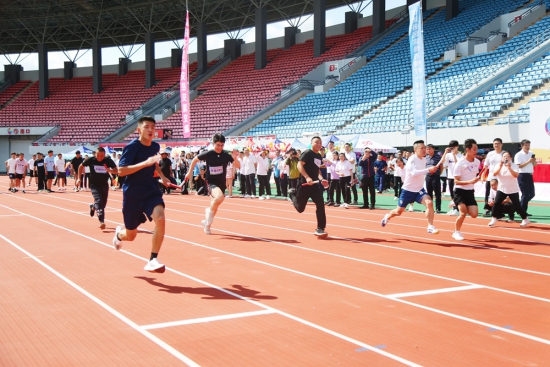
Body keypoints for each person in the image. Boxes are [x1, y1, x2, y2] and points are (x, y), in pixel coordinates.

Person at [112, 116, 171, 273]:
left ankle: (152, 260)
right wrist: (144, 164)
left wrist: (163, 177)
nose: (151, 130)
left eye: (153, 127)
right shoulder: (132, 148)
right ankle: (119, 234)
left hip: (150, 190)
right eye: (147, 127)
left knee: (160, 218)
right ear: (138, 130)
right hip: (133, 194)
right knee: (131, 235)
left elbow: (155, 163)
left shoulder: (155, 147)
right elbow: (121, 170)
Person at [381, 140, 440, 234]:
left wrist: (430, 170)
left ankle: (430, 226)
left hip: (419, 190)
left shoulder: (424, 159)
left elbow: (424, 171)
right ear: (415, 149)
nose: (424, 150)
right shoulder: (412, 159)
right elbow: (414, 173)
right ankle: (387, 216)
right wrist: (428, 170)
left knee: (429, 203)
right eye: (422, 148)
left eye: (425, 148)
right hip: (407, 190)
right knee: (398, 212)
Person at [185, 134, 240, 235]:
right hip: (211, 181)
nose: (220, 147)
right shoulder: (209, 153)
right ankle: (208, 212)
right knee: (219, 197)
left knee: (215, 205)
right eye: (218, 145)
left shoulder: (226, 155)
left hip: (221, 183)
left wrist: (235, 158)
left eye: (222, 145)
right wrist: (190, 172)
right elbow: (195, 160)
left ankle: (207, 224)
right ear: (213, 144)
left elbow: (238, 166)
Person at [288, 136, 329, 238]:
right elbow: (299, 165)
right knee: (300, 209)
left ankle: (320, 228)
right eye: (316, 142)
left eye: (320, 143)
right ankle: (292, 194)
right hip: (304, 185)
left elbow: (317, 170)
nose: (318, 144)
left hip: (314, 186)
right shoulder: (307, 153)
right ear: (311, 143)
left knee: (320, 204)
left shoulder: (319, 156)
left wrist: (321, 179)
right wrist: (307, 177)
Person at [76, 147, 118, 229]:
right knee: (99, 201)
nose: (99, 158)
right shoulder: (91, 160)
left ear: (104, 155)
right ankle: (101, 221)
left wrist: (111, 171)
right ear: (95, 154)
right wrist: (79, 178)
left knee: (103, 203)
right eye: (98, 155)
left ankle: (93, 206)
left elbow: (116, 170)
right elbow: (80, 167)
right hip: (94, 184)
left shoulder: (108, 160)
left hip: (104, 184)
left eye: (101, 156)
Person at [488, 151, 530, 227]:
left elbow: (516, 175)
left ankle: (525, 219)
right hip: (502, 188)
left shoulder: (514, 166)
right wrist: (500, 166)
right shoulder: (499, 165)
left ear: (511, 158)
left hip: (512, 189)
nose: (506, 158)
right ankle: (493, 219)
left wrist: (509, 168)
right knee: (496, 203)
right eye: (504, 156)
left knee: (517, 205)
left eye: (507, 156)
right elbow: (494, 174)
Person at [451, 139, 480, 241]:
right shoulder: (460, 163)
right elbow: (456, 181)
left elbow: (473, 175)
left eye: (476, 149)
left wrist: (476, 180)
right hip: (460, 191)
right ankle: (456, 232)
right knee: (463, 213)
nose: (476, 151)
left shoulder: (477, 161)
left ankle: (457, 204)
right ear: (467, 149)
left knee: (474, 214)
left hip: (470, 192)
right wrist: (470, 181)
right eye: (474, 149)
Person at [514, 139, 537, 215]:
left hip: (530, 175)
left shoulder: (531, 153)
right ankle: (523, 211)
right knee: (525, 194)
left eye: (528, 145)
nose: (528, 147)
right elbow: (519, 166)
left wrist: (534, 161)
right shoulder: (518, 155)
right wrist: (529, 161)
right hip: (522, 175)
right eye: (526, 145)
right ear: (522, 146)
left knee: (532, 194)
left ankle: (520, 207)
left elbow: (534, 165)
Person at [482, 138, 504, 216]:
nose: (496, 145)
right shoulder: (490, 154)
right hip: (490, 177)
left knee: (499, 195)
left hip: (500, 178)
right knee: (488, 193)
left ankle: (499, 210)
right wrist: (482, 175)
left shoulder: (504, 154)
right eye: (495, 144)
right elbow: (486, 165)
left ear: (501, 144)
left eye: (498, 143)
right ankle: (487, 209)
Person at [442, 140, 462, 216]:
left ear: (457, 147)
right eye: (451, 147)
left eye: (454, 147)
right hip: (450, 176)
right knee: (451, 193)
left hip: (457, 177)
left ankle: (457, 209)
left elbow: (458, 165)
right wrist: (445, 152)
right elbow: (443, 162)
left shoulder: (461, 155)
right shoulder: (448, 155)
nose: (452, 149)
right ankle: (454, 208)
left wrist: (454, 155)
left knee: (456, 194)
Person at [425, 144, 442, 213]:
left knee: (437, 193)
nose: (428, 150)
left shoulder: (438, 157)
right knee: (429, 193)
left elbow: (441, 167)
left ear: (433, 149)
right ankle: (429, 208)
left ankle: (438, 208)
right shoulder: (426, 157)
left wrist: (438, 174)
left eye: (430, 149)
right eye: (427, 149)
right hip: (428, 177)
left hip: (436, 176)